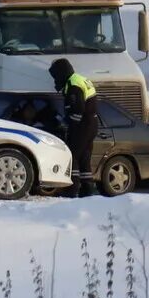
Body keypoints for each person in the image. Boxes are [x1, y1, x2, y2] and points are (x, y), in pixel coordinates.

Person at [49, 58, 98, 197]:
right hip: (91, 123)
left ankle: (72, 189)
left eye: (55, 75)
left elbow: (77, 110)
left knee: (72, 156)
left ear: (61, 72)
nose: (55, 79)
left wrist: (68, 125)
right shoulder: (80, 79)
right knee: (84, 157)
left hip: (82, 125)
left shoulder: (73, 85)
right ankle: (88, 189)